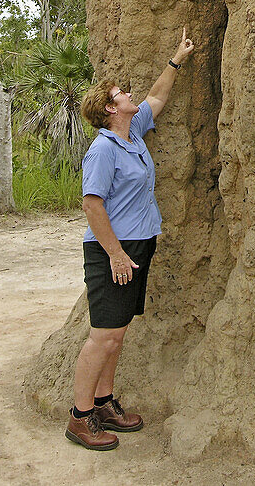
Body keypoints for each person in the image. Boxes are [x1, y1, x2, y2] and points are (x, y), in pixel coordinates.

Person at [65, 27, 195, 451]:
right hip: (111, 252)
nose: (129, 95)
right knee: (102, 335)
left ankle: (104, 404)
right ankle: (79, 418)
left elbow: (157, 97)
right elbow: (91, 205)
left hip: (138, 244)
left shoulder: (133, 132)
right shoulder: (103, 149)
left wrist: (177, 58)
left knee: (117, 333)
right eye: (122, 94)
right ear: (109, 108)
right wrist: (116, 254)